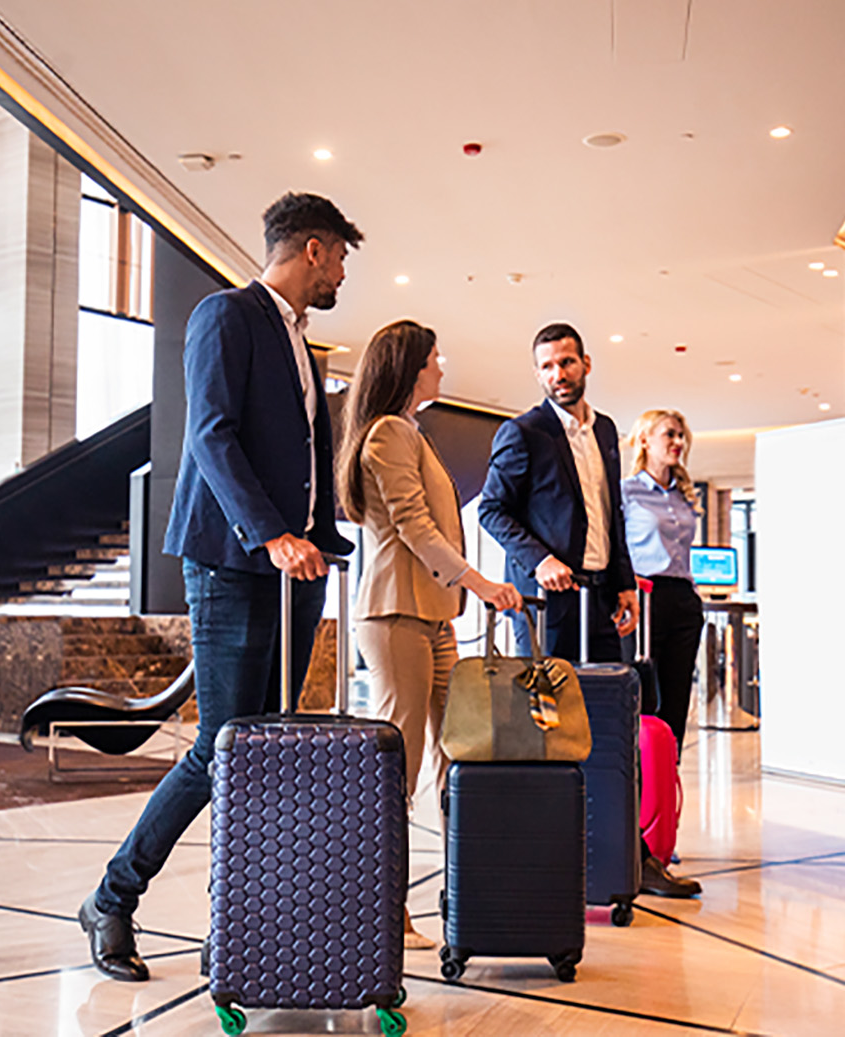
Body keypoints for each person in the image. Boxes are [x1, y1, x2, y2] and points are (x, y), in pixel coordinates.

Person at [78, 192, 361, 982]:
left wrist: (315, 539)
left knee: (265, 750)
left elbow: (300, 456)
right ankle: (112, 897)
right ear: (312, 248)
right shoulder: (226, 315)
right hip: (238, 561)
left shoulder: (304, 344)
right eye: (339, 257)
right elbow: (209, 431)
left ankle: (237, 921)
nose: (341, 272)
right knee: (223, 748)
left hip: (294, 569)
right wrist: (270, 533)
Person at [479, 323, 701, 899]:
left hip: (602, 599)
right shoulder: (522, 432)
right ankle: (549, 865)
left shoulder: (603, 430)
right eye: (547, 366)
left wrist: (625, 583)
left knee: (613, 729)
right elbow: (493, 512)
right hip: (549, 606)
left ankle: (629, 859)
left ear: (586, 364)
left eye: (567, 363)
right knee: (548, 734)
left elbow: (610, 517)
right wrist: (540, 559)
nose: (558, 374)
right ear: (538, 374)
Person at [338, 319, 524, 949]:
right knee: (400, 763)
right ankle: (381, 912)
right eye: (435, 359)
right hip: (396, 617)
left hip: (434, 619)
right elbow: (415, 527)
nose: (442, 367)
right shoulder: (389, 432)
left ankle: (468, 891)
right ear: (410, 367)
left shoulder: (409, 431)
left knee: (460, 756)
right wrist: (481, 584)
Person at [621, 409, 705, 749]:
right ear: (644, 440)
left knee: (677, 694)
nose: (678, 442)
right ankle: (638, 775)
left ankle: (669, 771)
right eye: (669, 434)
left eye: (681, 435)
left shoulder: (683, 494)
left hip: (684, 598)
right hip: (645, 597)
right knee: (642, 692)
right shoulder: (625, 492)